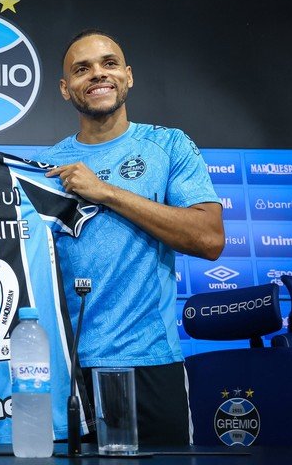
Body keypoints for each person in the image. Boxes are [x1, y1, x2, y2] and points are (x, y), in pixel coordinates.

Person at [35, 29, 225, 446]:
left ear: (129, 75)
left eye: (109, 63)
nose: (97, 75)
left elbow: (210, 239)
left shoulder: (169, 145)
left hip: (151, 362)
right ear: (65, 89)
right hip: (68, 370)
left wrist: (106, 192)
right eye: (81, 70)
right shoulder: (43, 168)